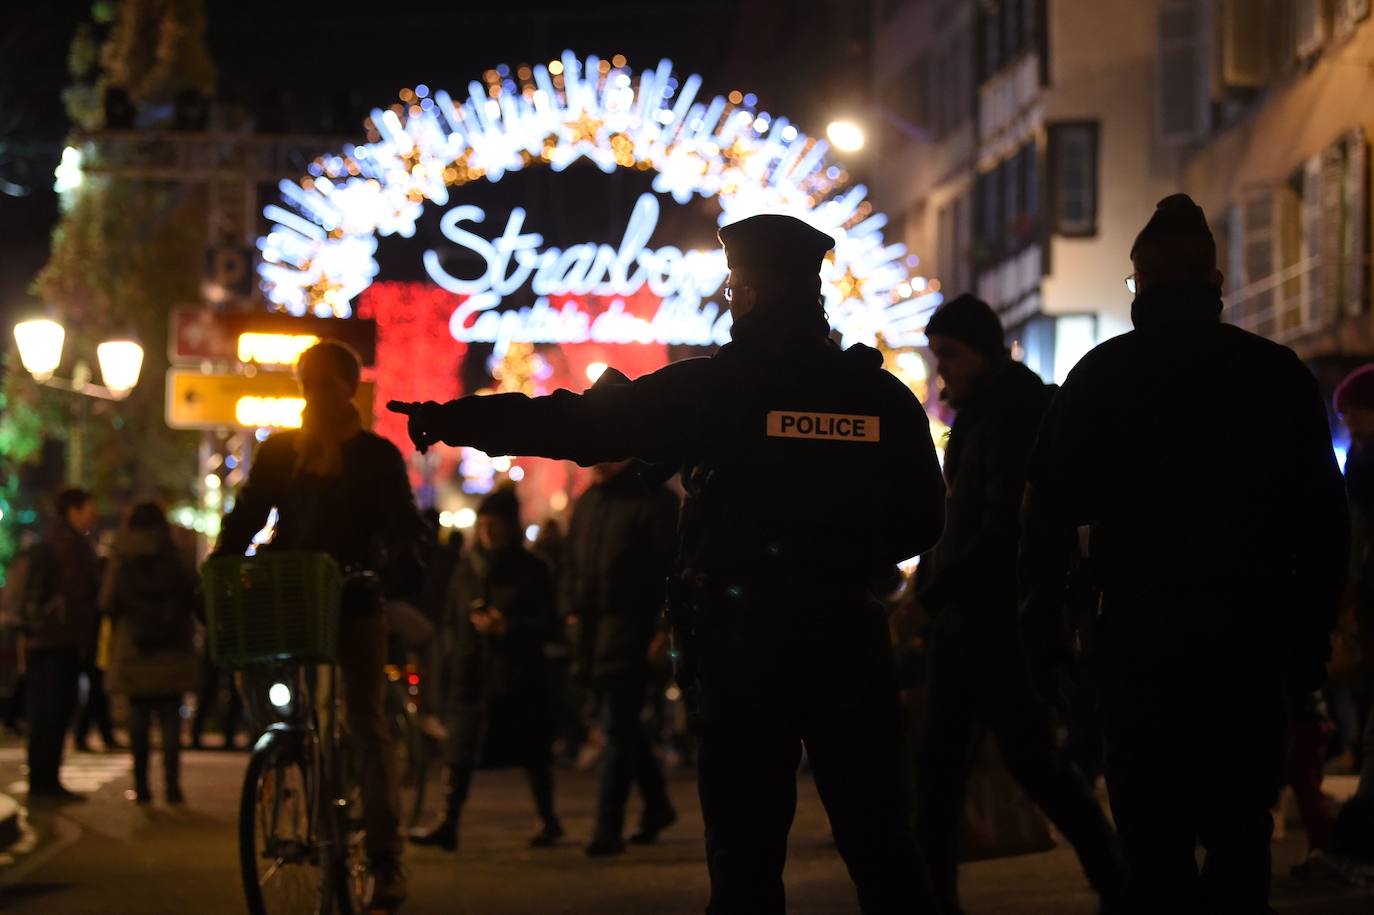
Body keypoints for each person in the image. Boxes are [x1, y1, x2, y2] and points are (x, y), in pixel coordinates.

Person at [391, 213, 946, 914]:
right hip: (846, 640)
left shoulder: (713, 391)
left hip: (743, 652)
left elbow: (577, 425)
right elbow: (924, 518)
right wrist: (841, 552)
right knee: (884, 851)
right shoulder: (878, 395)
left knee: (745, 865)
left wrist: (457, 419)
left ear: (743, 293)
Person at [1020, 194, 1349, 914]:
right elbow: (1325, 523)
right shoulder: (1277, 375)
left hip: (1138, 637)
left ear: (1139, 285)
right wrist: (1309, 643)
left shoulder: (1102, 374)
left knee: (1153, 835)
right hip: (1250, 636)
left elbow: (1047, 511)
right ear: (1218, 283)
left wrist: (1047, 631)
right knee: (1239, 834)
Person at [915, 293, 1123, 913]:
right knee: (978, 764)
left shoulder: (1007, 415)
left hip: (993, 615)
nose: (941, 368)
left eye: (948, 354)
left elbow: (999, 523)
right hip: (985, 611)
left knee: (975, 765)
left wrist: (937, 587)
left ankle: (1115, 878)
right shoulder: (991, 409)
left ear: (978, 350)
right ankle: (1114, 878)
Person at [215, 340, 427, 910]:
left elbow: (404, 525)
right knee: (283, 709)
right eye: (306, 383)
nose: (314, 393)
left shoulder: (376, 456)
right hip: (291, 599)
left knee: (366, 723)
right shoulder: (282, 452)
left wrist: (394, 564)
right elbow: (248, 514)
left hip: (356, 598)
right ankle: (293, 759)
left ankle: (386, 860)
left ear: (347, 387)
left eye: (324, 382)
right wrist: (220, 565)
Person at [411, 486, 565, 851]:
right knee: (458, 751)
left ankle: (549, 819)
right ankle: (448, 822)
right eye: (484, 524)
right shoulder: (468, 569)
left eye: (496, 524)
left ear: (511, 526)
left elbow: (548, 622)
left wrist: (508, 626)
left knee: (532, 752)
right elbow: (451, 619)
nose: (488, 532)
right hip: (471, 672)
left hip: (518, 676)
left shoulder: (533, 569)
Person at [565, 459, 679, 857]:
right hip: (595, 633)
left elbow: (671, 570)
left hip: (633, 631)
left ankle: (607, 826)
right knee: (624, 726)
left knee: (618, 724)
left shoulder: (653, 501)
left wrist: (663, 628)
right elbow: (573, 566)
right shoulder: (590, 502)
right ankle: (657, 805)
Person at [102, 502, 200, 804]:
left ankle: (141, 786)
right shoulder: (178, 556)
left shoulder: (121, 559)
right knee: (171, 717)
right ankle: (173, 786)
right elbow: (195, 597)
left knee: (139, 718)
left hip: (135, 646)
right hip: (174, 645)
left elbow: (107, 603)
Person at [22, 488, 101, 800]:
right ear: (73, 510)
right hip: (57, 640)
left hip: (51, 639)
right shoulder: (67, 545)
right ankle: (44, 781)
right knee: (51, 712)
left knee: (48, 712)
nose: (93, 514)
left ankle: (44, 779)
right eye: (89, 508)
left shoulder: (56, 542)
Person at [1326, 365, 1374, 872]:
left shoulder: (1363, 463)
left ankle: (1356, 839)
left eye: (1353, 415)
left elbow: (1355, 537)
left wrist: (1348, 592)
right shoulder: (1362, 456)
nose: (1350, 426)